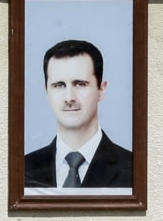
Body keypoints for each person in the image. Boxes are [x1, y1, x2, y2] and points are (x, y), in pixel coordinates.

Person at [25, 39, 132, 188]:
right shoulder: (23, 170)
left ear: (101, 90)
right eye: (59, 85)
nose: (69, 98)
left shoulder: (133, 168)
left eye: (80, 84)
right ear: (46, 92)